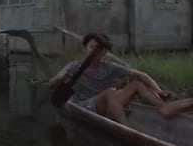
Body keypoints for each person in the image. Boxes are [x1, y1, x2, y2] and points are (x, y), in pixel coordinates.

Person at [48, 32, 182, 124]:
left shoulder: (109, 67)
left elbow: (142, 75)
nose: (94, 52)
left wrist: (159, 92)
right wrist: (61, 78)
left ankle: (164, 107)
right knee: (111, 91)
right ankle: (126, 128)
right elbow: (51, 84)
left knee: (136, 83)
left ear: (104, 52)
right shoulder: (74, 66)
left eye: (98, 49)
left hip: (107, 103)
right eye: (91, 47)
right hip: (85, 105)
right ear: (86, 48)